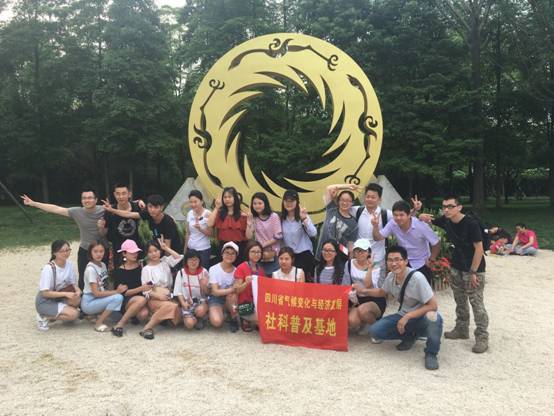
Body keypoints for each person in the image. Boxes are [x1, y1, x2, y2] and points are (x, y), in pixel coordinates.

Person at [419, 195, 489, 353]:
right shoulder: (447, 220)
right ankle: (462, 329)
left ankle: (482, 337)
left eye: (450, 206)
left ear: (459, 207)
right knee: (460, 299)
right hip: (457, 266)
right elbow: (430, 220)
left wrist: (473, 272)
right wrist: (421, 215)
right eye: (444, 206)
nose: (446, 209)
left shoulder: (471, 224)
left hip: (474, 268)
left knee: (476, 303)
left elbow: (479, 249)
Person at [366, 246, 443, 370]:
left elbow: (433, 305)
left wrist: (408, 316)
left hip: (422, 316)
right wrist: (363, 291)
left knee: (433, 318)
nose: (394, 263)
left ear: (406, 261)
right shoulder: (391, 276)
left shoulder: (417, 278)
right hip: (404, 315)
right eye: (390, 260)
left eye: (398, 259)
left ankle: (431, 353)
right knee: (375, 331)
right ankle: (410, 335)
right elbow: (382, 292)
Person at [22, 189, 107, 290]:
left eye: (89, 198)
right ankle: (83, 299)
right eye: (84, 198)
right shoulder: (77, 212)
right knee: (83, 278)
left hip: (102, 249)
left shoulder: (104, 210)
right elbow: (55, 209)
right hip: (85, 249)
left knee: (103, 278)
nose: (86, 200)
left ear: (96, 200)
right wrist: (33, 203)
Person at [372, 200, 440, 285]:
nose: (398, 218)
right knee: (403, 290)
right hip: (403, 263)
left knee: (423, 291)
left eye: (401, 215)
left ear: (409, 215)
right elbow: (378, 238)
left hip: (421, 263)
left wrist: (432, 259)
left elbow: (436, 242)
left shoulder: (420, 225)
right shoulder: (393, 224)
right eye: (395, 215)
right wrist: (375, 226)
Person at [102, 194, 184, 254]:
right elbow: (129, 214)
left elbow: (167, 248)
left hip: (173, 253)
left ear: (162, 207)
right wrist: (112, 210)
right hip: (159, 251)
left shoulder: (168, 222)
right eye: (150, 207)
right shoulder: (148, 214)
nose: (152, 210)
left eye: (156, 207)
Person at [139, 239, 183, 339]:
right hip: (154, 298)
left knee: (178, 314)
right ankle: (147, 328)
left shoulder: (165, 262)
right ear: (147, 254)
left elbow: (179, 257)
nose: (153, 254)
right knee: (171, 306)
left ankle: (161, 317)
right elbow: (146, 290)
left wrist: (166, 248)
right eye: (150, 252)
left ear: (160, 251)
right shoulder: (146, 269)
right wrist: (159, 296)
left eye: (156, 250)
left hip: (168, 295)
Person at [350, 183, 392, 288]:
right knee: (358, 286)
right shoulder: (357, 211)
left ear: (379, 199)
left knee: (378, 288)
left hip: (378, 258)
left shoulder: (386, 214)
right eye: (367, 196)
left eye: (373, 197)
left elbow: (403, 217)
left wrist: (415, 211)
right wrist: (347, 187)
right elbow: (340, 205)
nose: (369, 199)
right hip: (359, 258)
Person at [35, 240, 81, 331]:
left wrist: (78, 290)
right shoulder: (48, 268)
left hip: (59, 296)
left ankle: (65, 315)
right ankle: (44, 316)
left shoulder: (69, 264)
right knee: (75, 314)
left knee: (77, 299)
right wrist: (65, 294)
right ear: (54, 253)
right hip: (45, 301)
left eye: (67, 250)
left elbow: (73, 284)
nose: (66, 253)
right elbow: (45, 293)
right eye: (62, 251)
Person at [342, 239, 386, 332]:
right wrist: (350, 294)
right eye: (357, 251)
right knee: (352, 321)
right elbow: (345, 284)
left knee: (363, 311)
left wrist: (369, 268)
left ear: (369, 252)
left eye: (363, 251)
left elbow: (368, 285)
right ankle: (365, 322)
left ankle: (378, 329)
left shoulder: (376, 266)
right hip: (357, 298)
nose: (359, 253)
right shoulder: (349, 263)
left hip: (374, 298)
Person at [80, 241, 125, 332]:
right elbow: (96, 293)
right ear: (90, 253)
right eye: (95, 251)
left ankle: (95, 315)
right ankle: (98, 323)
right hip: (89, 301)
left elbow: (104, 284)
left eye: (101, 251)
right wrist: (116, 291)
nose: (98, 254)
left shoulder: (103, 265)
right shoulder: (91, 269)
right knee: (118, 297)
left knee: (119, 317)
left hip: (99, 299)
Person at [110, 239, 150, 337]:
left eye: (136, 252)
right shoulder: (119, 271)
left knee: (143, 314)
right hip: (127, 300)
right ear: (124, 253)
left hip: (142, 297)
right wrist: (141, 288)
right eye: (131, 252)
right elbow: (124, 293)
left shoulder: (141, 265)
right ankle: (120, 324)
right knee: (141, 300)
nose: (135, 254)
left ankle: (132, 316)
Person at [97, 183, 142, 268]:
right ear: (114, 194)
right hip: (118, 250)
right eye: (118, 194)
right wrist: (101, 227)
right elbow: (103, 233)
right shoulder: (109, 211)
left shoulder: (138, 207)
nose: (121, 197)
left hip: (136, 249)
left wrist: (140, 201)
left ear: (129, 194)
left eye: (124, 193)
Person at [280, 190, 317, 282]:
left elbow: (313, 233)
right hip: (288, 258)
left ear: (297, 202)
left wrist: (304, 219)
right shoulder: (281, 219)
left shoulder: (302, 216)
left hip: (304, 256)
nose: (289, 203)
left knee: (304, 286)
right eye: (286, 200)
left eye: (292, 201)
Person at [315, 184, 359, 259]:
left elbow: (350, 250)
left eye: (348, 201)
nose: (345, 203)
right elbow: (329, 188)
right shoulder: (331, 209)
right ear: (338, 201)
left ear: (352, 203)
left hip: (336, 261)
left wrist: (339, 245)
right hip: (320, 257)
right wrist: (348, 186)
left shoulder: (353, 225)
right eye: (342, 200)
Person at [207, 187, 248, 265]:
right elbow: (209, 224)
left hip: (239, 248)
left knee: (238, 270)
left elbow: (248, 235)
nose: (227, 199)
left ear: (235, 198)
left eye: (229, 197)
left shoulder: (243, 215)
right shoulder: (219, 213)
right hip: (223, 247)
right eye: (225, 197)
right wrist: (216, 207)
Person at [246, 192, 283, 275]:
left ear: (265, 203)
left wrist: (262, 245)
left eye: (260, 203)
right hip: (259, 254)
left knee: (273, 278)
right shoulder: (254, 218)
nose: (257, 206)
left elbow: (278, 236)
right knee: (260, 277)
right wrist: (249, 223)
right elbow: (249, 236)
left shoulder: (274, 216)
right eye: (254, 203)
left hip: (272, 254)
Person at [234, 241, 266, 332]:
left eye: (258, 252)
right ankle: (244, 318)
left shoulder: (261, 269)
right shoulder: (241, 267)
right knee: (263, 320)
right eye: (253, 252)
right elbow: (236, 290)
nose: (256, 254)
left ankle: (252, 320)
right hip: (244, 305)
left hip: (257, 304)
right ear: (247, 253)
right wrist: (246, 283)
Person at [173, 249, 209, 330]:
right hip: (187, 303)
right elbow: (178, 291)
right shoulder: (181, 273)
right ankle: (194, 319)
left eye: (196, 259)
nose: (193, 262)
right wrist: (183, 303)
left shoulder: (204, 272)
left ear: (199, 261)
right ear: (186, 261)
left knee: (200, 311)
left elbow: (208, 293)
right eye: (190, 260)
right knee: (189, 325)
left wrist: (204, 286)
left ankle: (200, 317)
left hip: (201, 302)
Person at [208, 242, 240, 332]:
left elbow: (236, 290)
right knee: (217, 322)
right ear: (222, 254)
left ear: (236, 256)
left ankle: (233, 317)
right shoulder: (213, 269)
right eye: (227, 253)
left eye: (232, 253)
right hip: (216, 298)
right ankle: (223, 313)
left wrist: (230, 290)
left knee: (232, 296)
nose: (229, 255)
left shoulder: (237, 270)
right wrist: (232, 289)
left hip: (230, 299)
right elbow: (215, 292)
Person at [184, 190, 213, 269]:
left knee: (202, 272)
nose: (193, 204)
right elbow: (188, 233)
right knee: (191, 272)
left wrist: (200, 229)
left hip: (203, 250)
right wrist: (185, 250)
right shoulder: (189, 213)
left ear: (201, 201)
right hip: (191, 249)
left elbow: (211, 233)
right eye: (191, 202)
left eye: (195, 202)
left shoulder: (208, 214)